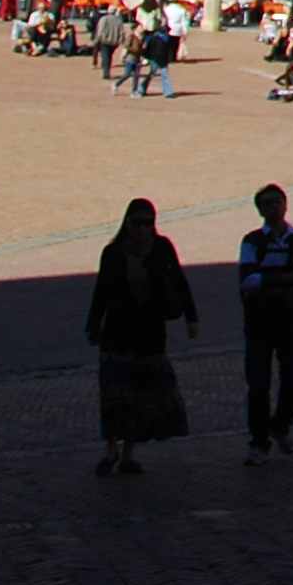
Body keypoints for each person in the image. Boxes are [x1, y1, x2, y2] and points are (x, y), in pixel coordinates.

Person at [85, 198, 199, 475]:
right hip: (117, 331)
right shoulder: (112, 252)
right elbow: (102, 290)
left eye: (148, 223)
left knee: (141, 393)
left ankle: (128, 454)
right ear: (126, 222)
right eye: (137, 222)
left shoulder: (162, 248)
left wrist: (191, 316)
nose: (142, 228)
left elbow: (180, 281)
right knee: (116, 393)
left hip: (150, 331)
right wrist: (93, 323)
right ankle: (111, 449)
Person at [236, 184, 293, 461]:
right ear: (260, 210)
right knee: (259, 384)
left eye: (278, 202)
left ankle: (280, 425)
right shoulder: (252, 242)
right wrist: (286, 279)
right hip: (261, 320)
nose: (274, 207)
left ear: (285, 205)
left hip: (291, 319)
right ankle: (259, 441)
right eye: (268, 204)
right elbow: (248, 279)